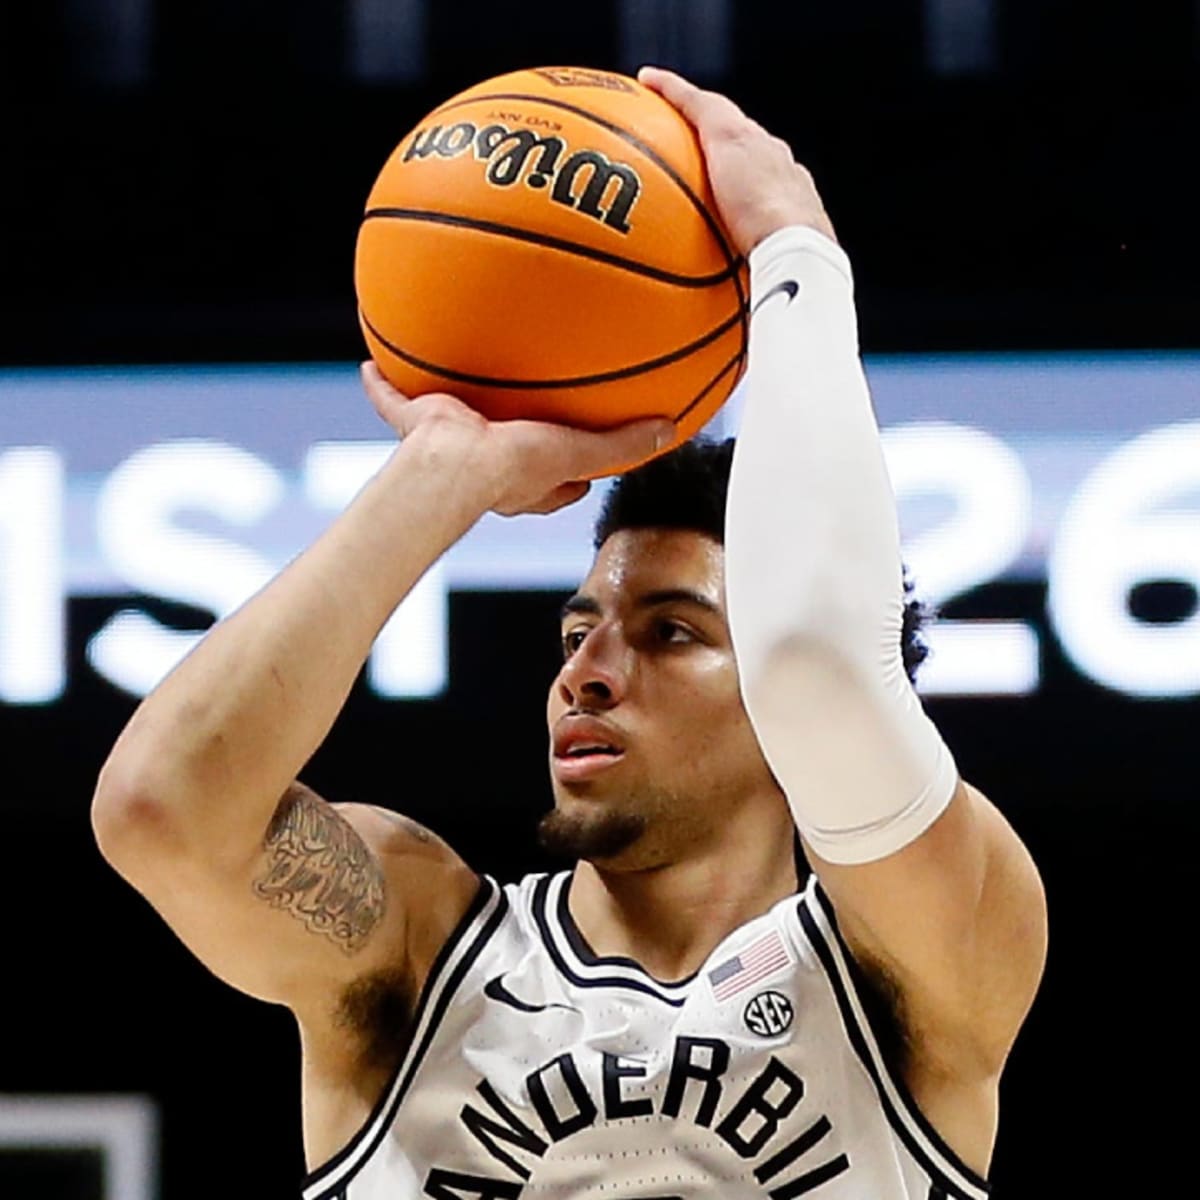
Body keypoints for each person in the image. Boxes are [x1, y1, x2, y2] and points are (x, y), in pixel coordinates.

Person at [92, 66, 1046, 1199]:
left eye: (671, 632)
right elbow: (161, 809)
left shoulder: (919, 956)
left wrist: (797, 255)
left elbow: (822, 668)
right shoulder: (419, 946)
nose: (587, 674)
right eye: (576, 632)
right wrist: (445, 472)